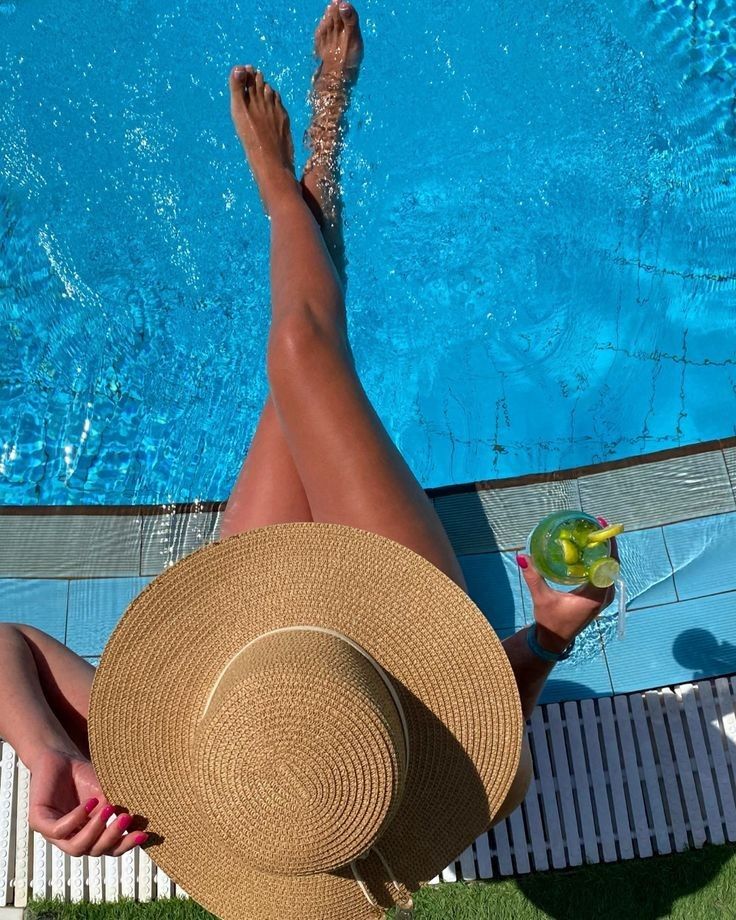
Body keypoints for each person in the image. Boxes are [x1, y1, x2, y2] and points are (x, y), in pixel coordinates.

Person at [0, 0, 614, 871]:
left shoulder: (204, 793)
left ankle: (302, 176)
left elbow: (9, 642)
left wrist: (46, 750)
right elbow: (483, 720)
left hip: (246, 648)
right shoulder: (444, 799)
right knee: (306, 351)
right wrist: (550, 635)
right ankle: (313, 147)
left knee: (305, 363)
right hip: (397, 647)